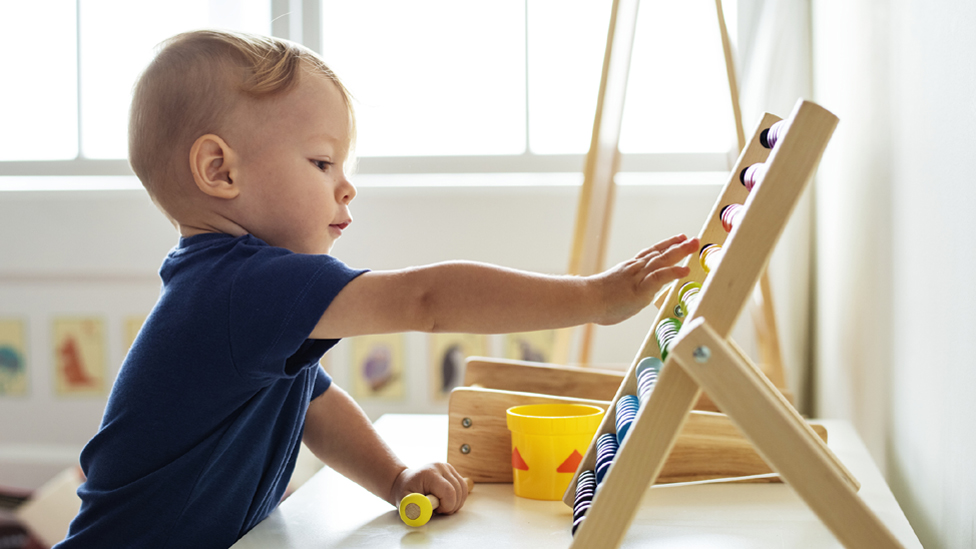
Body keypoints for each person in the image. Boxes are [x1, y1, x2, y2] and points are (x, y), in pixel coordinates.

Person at [56, 29, 699, 548]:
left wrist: (395, 477)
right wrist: (591, 298)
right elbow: (427, 300)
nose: (345, 186)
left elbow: (313, 402)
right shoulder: (243, 286)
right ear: (219, 170)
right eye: (321, 162)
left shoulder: (238, 293)